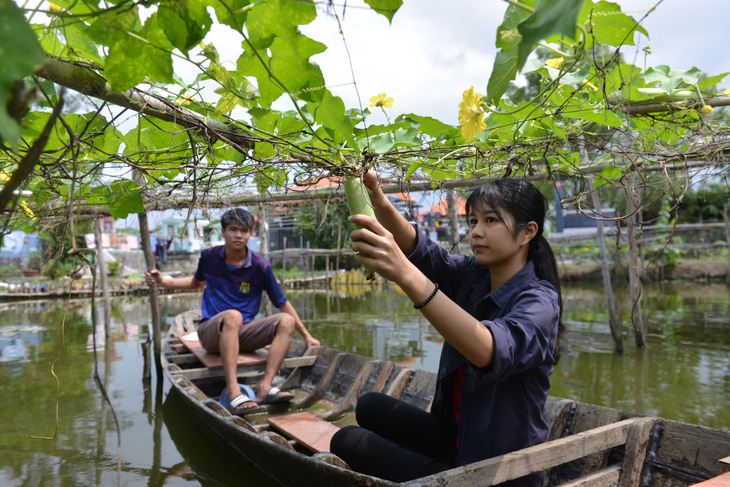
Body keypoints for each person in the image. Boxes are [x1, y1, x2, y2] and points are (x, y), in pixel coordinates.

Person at [330, 171, 564, 486]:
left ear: (527, 232)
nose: (476, 233)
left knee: (346, 440)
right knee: (369, 405)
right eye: (473, 222)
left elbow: (488, 350)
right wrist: (377, 198)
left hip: (499, 469)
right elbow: (420, 249)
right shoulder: (476, 276)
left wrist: (406, 275)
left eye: (491, 220)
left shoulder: (540, 302)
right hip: (461, 439)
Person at [145, 208, 320, 414]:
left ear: (251, 234)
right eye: (233, 229)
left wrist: (307, 335)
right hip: (211, 335)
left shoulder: (260, 266)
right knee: (233, 315)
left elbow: (282, 302)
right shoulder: (209, 257)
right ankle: (233, 390)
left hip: (242, 334)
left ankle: (265, 387)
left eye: (244, 230)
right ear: (223, 232)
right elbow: (195, 282)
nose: (239, 235)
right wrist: (164, 281)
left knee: (285, 321)